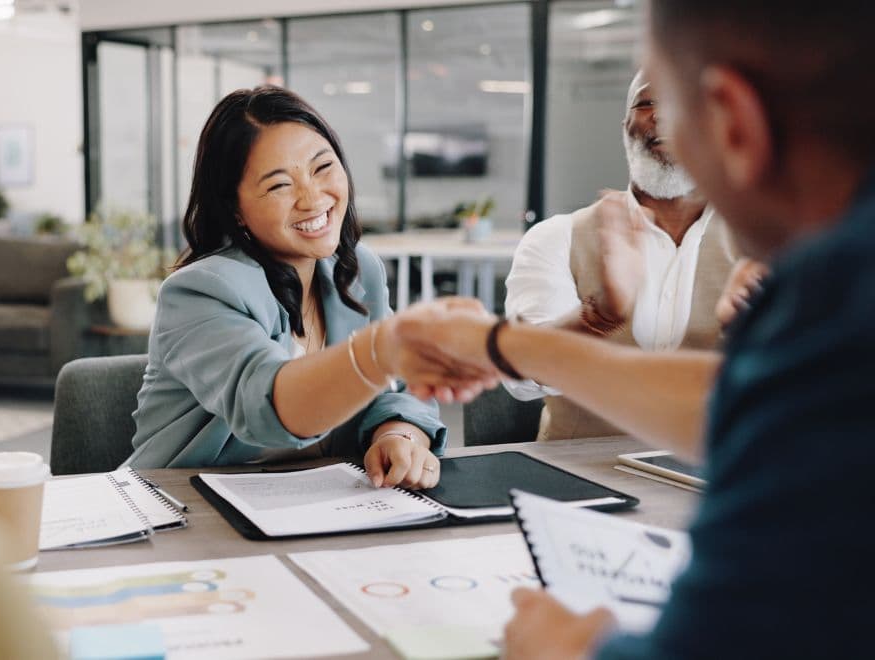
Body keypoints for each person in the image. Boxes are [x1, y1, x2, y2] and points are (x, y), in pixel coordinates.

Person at [395, 0, 875, 656]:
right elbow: (736, 406)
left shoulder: (834, 292)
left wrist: (571, 648)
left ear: (730, 120)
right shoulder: (845, 274)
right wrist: (500, 342)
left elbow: (729, 634)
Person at [126, 86, 490, 488]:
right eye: (280, 185)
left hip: (324, 509)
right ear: (235, 210)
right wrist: (383, 349)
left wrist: (397, 435)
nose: (313, 197)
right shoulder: (200, 292)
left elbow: (400, 389)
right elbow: (266, 405)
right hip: (190, 514)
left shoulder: (355, 269)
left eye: (322, 168)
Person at [504, 71, 741, 441]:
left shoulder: (763, 248)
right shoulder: (555, 238)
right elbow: (519, 374)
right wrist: (596, 318)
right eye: (646, 103)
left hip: (720, 479)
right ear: (626, 126)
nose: (661, 116)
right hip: (577, 479)